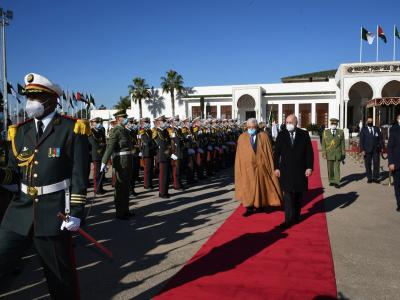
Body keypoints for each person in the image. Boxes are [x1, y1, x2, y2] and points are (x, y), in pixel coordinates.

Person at [0, 73, 89, 299]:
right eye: (29, 97)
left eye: (36, 97)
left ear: (51, 100)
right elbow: (13, 173)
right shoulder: (19, 131)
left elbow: (79, 175)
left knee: (60, 280)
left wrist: (77, 212)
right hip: (19, 213)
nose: (31, 102)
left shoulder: (71, 129)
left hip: (53, 214)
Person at [235, 118, 282, 217]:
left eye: (253, 127)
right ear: (246, 127)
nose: (251, 129)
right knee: (248, 187)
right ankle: (249, 207)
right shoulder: (242, 138)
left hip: (261, 166)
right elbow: (239, 155)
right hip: (247, 168)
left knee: (262, 186)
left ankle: (262, 204)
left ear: (257, 127)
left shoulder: (263, 136)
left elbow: (269, 152)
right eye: (249, 127)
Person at [274, 114, 314, 228]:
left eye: (291, 122)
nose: (288, 124)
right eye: (287, 122)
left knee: (297, 196)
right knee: (287, 196)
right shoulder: (281, 135)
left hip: (300, 171)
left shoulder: (304, 134)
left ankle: (296, 217)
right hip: (285, 171)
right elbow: (276, 153)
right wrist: (276, 167)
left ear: (296, 123)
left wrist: (309, 167)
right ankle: (287, 220)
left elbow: (309, 153)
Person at [101, 109, 134, 220]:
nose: (126, 119)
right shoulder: (115, 131)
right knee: (120, 187)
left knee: (126, 186)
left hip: (128, 160)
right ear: (118, 119)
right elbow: (110, 147)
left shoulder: (126, 131)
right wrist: (104, 162)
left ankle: (126, 210)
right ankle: (120, 212)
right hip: (120, 161)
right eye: (123, 117)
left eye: (126, 117)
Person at [321, 118, 345, 188]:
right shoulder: (325, 132)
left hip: (338, 153)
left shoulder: (340, 132)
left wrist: (343, 154)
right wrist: (324, 153)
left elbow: (342, 144)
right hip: (329, 153)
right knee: (330, 168)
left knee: (337, 168)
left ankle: (337, 182)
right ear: (330, 124)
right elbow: (323, 144)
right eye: (332, 124)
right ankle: (331, 180)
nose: (333, 125)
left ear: (337, 125)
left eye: (335, 124)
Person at [359, 117, 384, 183]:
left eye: (371, 121)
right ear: (367, 122)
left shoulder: (376, 128)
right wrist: (362, 150)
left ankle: (375, 178)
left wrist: (382, 147)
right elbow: (361, 141)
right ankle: (369, 178)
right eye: (369, 121)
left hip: (376, 149)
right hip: (367, 150)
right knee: (368, 164)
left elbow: (381, 138)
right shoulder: (364, 130)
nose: (370, 122)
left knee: (376, 163)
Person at [153, 115, 172, 198]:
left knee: (167, 175)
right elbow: (159, 144)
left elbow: (168, 142)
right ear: (159, 122)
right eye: (163, 121)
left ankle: (166, 191)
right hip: (162, 155)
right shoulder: (157, 132)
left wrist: (169, 150)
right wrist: (166, 150)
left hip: (167, 154)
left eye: (165, 121)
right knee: (163, 175)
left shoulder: (165, 131)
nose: (165, 123)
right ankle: (162, 192)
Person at [88, 117, 107, 194]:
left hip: (102, 153)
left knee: (101, 172)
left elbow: (104, 142)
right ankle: (97, 189)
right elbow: (92, 143)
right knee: (96, 174)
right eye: (97, 122)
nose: (99, 123)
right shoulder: (90, 132)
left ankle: (101, 188)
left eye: (99, 122)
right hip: (96, 154)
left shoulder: (101, 131)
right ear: (92, 123)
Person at [388, 114, 400, 212]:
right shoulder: (395, 131)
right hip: (397, 163)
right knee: (398, 185)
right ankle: (399, 203)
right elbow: (390, 148)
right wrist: (391, 162)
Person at [140, 117, 155, 190]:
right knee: (147, 169)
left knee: (151, 169)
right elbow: (146, 141)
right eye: (146, 122)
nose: (148, 123)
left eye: (148, 122)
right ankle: (146, 184)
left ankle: (150, 183)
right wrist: (152, 142)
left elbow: (152, 140)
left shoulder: (149, 131)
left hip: (151, 152)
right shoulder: (142, 131)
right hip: (146, 152)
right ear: (143, 123)